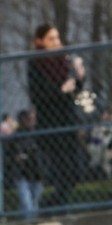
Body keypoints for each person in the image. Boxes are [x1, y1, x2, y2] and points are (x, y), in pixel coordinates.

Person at [26, 22, 86, 211]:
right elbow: (38, 95)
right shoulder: (36, 63)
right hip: (50, 125)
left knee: (76, 170)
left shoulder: (64, 60)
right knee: (61, 172)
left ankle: (49, 206)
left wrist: (79, 77)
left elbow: (74, 89)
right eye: (51, 38)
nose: (56, 42)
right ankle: (52, 208)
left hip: (68, 120)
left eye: (57, 38)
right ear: (40, 41)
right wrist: (62, 90)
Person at [6, 109, 47, 221]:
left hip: (37, 173)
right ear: (22, 121)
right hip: (22, 174)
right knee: (27, 203)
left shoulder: (37, 135)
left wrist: (44, 169)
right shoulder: (15, 138)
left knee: (34, 203)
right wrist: (15, 159)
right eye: (28, 119)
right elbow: (6, 157)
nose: (31, 122)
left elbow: (45, 154)